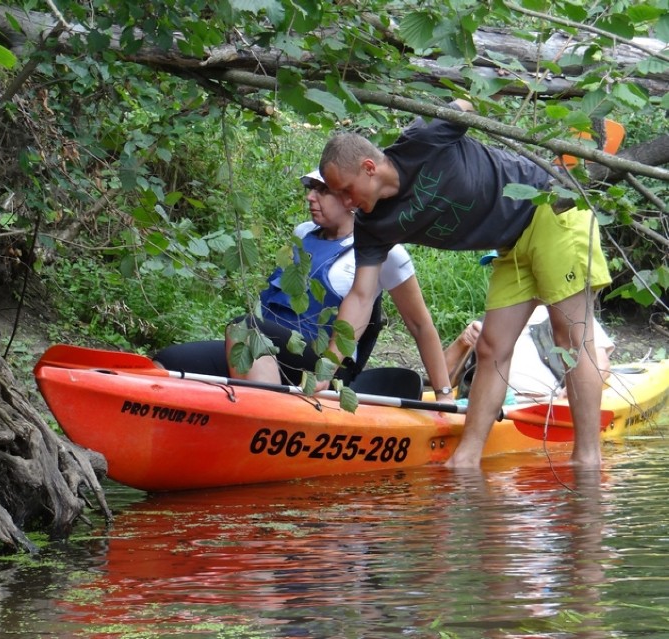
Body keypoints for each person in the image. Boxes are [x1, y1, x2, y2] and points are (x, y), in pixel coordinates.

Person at [316, 98, 612, 467]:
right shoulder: (372, 226)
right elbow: (360, 297)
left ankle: (587, 460)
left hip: (550, 206)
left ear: (369, 167)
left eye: (345, 190)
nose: (344, 202)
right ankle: (465, 461)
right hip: (511, 244)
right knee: (490, 349)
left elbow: (465, 104)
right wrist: (327, 366)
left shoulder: (420, 140)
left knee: (570, 336)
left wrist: (452, 110)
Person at [157, 169, 453, 397]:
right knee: (167, 361)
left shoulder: (388, 253)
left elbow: (420, 326)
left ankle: (266, 420)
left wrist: (442, 395)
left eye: (322, 190)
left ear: (351, 199)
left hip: (322, 363)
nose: (311, 197)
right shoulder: (303, 232)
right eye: (311, 189)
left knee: (246, 327)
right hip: (267, 349)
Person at [445, 307, 615, 403]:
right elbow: (441, 381)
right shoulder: (484, 324)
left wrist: (574, 390)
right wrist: (462, 342)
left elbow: (601, 364)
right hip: (489, 408)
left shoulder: (570, 315)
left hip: (547, 405)